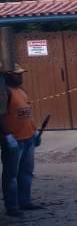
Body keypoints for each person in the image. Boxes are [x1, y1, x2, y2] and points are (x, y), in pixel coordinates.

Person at [0, 64, 39, 217]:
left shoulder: (22, 91)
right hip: (14, 141)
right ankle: (12, 207)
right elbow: (1, 116)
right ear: (8, 75)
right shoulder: (4, 93)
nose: (20, 77)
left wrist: (35, 131)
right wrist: (8, 136)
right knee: (11, 176)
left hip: (28, 138)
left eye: (21, 74)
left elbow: (27, 112)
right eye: (17, 75)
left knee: (27, 172)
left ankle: (25, 201)